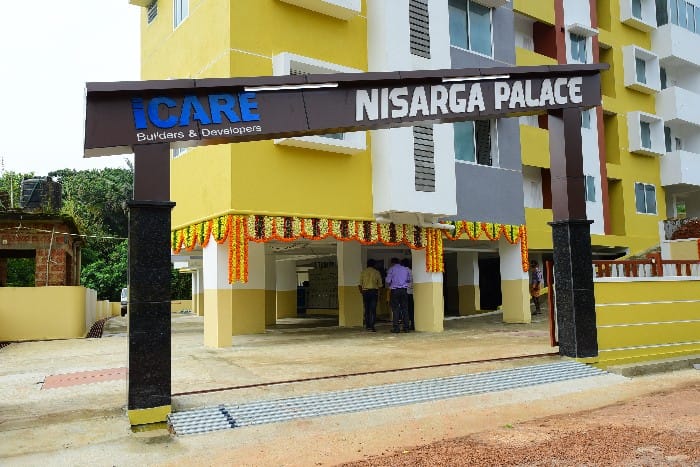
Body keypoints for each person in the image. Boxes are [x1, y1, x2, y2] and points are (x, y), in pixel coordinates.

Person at [386, 257, 412, 333]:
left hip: (395, 291)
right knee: (405, 309)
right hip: (404, 290)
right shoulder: (405, 269)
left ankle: (396, 328)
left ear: (392, 263)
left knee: (395, 309)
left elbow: (388, 280)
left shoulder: (391, 269)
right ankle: (406, 328)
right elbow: (409, 280)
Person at [358, 259, 382, 331]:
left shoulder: (363, 272)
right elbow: (380, 284)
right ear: (374, 265)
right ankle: (372, 326)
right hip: (374, 292)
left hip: (365, 292)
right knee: (373, 309)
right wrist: (379, 293)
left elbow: (360, 284)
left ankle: (367, 325)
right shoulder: (376, 272)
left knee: (367, 309)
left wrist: (362, 292)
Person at [400, 258, 415, 331]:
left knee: (405, 309)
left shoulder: (403, 271)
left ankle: (406, 326)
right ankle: (412, 324)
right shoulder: (411, 271)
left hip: (405, 292)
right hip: (411, 292)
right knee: (411, 309)